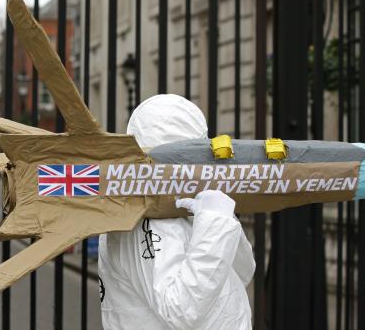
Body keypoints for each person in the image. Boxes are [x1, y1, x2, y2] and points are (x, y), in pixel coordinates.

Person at [98, 94, 256, 329]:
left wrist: (221, 219)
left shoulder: (192, 206)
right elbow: (181, 311)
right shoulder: (138, 220)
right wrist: (215, 223)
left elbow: (242, 273)